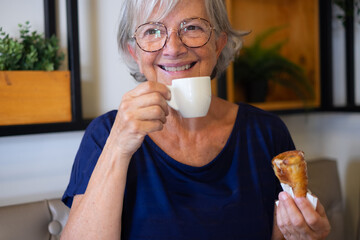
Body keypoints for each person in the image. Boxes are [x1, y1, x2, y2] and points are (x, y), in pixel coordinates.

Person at [61, 0, 331, 239]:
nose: (173, 48)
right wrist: (118, 147)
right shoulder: (106, 134)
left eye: (191, 27)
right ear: (134, 52)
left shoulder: (266, 133)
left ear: (219, 43)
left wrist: (305, 234)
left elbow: (289, 229)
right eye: (152, 31)